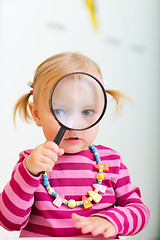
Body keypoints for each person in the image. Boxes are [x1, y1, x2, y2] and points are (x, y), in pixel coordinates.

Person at [0, 52, 150, 238]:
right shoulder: (30, 164)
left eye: (87, 111)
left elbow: (140, 212)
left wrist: (112, 220)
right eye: (60, 110)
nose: (75, 125)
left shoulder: (112, 162)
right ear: (37, 114)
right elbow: (8, 221)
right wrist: (28, 172)